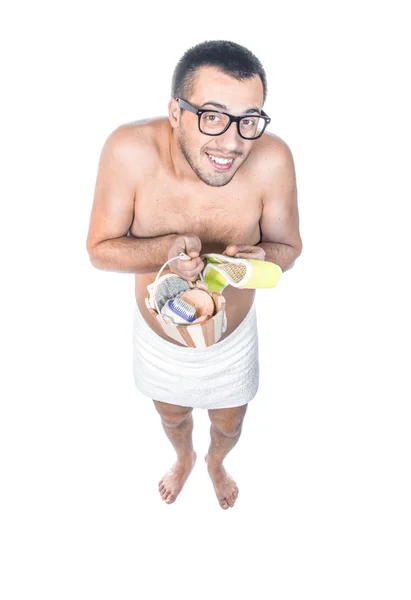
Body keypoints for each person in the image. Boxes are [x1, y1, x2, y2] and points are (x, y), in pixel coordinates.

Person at [86, 40, 302, 510]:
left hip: (233, 341)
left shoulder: (272, 158)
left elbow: (289, 250)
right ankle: (183, 457)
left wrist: (258, 256)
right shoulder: (128, 151)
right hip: (159, 341)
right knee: (171, 415)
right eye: (212, 116)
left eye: (249, 119)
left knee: (230, 423)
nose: (232, 142)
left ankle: (215, 463)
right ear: (175, 111)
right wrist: (163, 249)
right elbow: (99, 252)